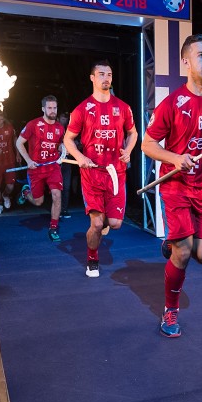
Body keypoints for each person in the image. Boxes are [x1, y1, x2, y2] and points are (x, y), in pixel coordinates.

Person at [141, 35, 202, 337]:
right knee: (183, 253)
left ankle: (173, 243)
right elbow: (147, 144)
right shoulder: (171, 104)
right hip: (177, 186)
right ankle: (170, 311)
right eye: (201, 55)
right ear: (186, 61)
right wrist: (175, 158)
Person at [63, 60, 138, 277]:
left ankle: (105, 221)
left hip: (116, 173)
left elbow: (133, 133)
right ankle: (92, 259)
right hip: (92, 174)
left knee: (115, 224)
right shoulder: (82, 109)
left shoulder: (123, 107)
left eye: (109, 74)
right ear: (92, 78)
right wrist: (79, 156)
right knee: (96, 224)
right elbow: (68, 139)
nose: (106, 78)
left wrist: (128, 150)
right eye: (102, 74)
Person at [16, 95, 66, 241]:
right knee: (38, 202)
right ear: (43, 109)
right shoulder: (33, 124)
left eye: (55, 108)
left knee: (57, 195)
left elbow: (60, 145)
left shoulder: (60, 128)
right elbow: (19, 143)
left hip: (53, 167)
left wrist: (63, 150)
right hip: (36, 168)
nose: (52, 111)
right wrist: (28, 160)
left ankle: (53, 228)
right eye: (49, 108)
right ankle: (26, 192)